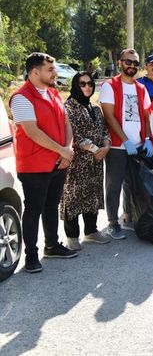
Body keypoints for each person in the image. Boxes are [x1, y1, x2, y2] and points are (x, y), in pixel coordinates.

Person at [10, 52, 78, 273]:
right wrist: (62, 151)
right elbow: (33, 132)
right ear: (35, 72)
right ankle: (31, 257)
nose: (55, 73)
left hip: (59, 162)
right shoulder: (21, 97)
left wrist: (67, 150)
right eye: (50, 69)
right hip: (34, 166)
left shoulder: (54, 94)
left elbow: (67, 123)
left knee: (51, 206)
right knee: (33, 210)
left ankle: (52, 245)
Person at [100, 48, 153, 240]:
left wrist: (146, 138)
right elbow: (109, 116)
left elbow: (147, 116)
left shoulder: (141, 88)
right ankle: (113, 223)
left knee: (132, 183)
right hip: (117, 146)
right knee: (113, 185)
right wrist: (124, 140)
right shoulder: (110, 86)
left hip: (138, 145)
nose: (131, 66)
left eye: (135, 63)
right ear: (120, 62)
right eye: (128, 62)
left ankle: (128, 216)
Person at [60, 72, 112, 251]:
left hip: (96, 162)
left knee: (92, 195)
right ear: (75, 85)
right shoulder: (69, 107)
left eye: (90, 83)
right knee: (73, 197)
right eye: (82, 84)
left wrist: (105, 147)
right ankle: (72, 236)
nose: (87, 87)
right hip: (77, 162)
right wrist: (96, 150)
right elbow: (73, 135)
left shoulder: (95, 108)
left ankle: (91, 231)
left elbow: (104, 130)